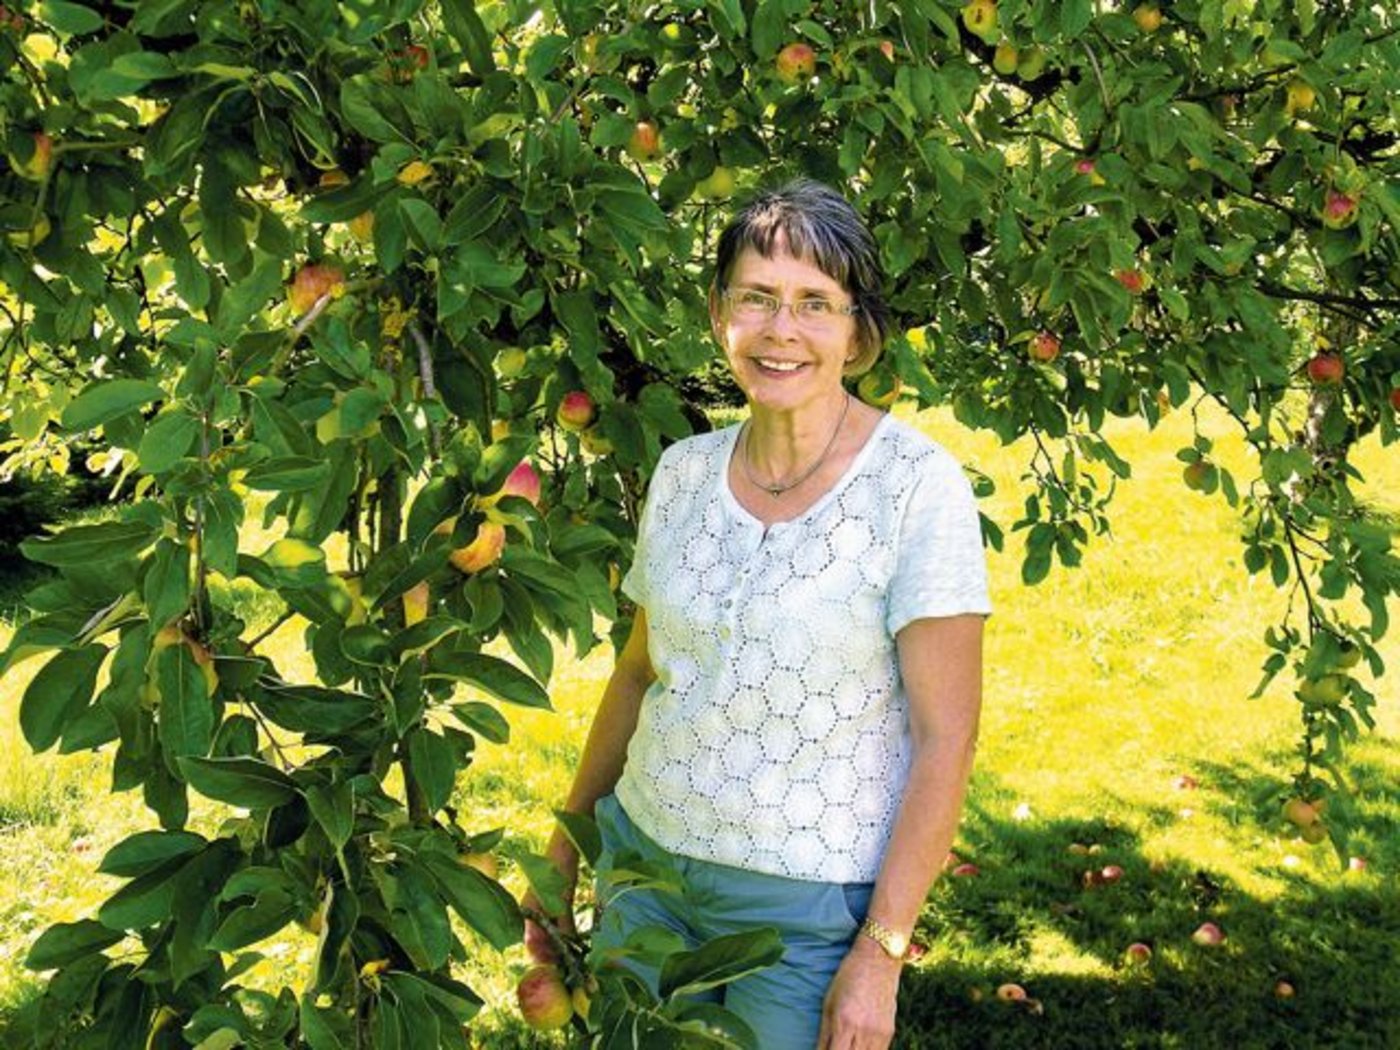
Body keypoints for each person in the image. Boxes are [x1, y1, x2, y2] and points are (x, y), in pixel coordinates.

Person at [532, 178, 991, 1049]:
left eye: (815, 304)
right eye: (758, 298)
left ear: (858, 333)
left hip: (805, 919)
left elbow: (948, 738)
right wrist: (568, 850)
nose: (782, 331)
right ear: (720, 316)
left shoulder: (915, 489)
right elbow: (637, 674)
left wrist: (882, 954)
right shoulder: (683, 474)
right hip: (645, 879)